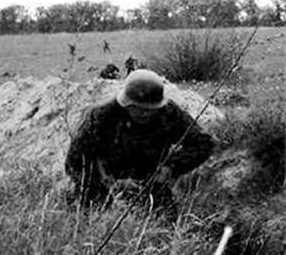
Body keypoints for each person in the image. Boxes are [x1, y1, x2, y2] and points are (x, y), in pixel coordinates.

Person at [65, 69, 216, 219]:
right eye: (139, 109)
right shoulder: (101, 116)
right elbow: (75, 162)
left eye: (150, 109)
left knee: (165, 225)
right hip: (102, 186)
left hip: (150, 183)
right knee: (92, 220)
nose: (145, 113)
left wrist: (171, 167)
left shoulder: (169, 113)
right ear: (126, 103)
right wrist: (110, 183)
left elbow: (204, 142)